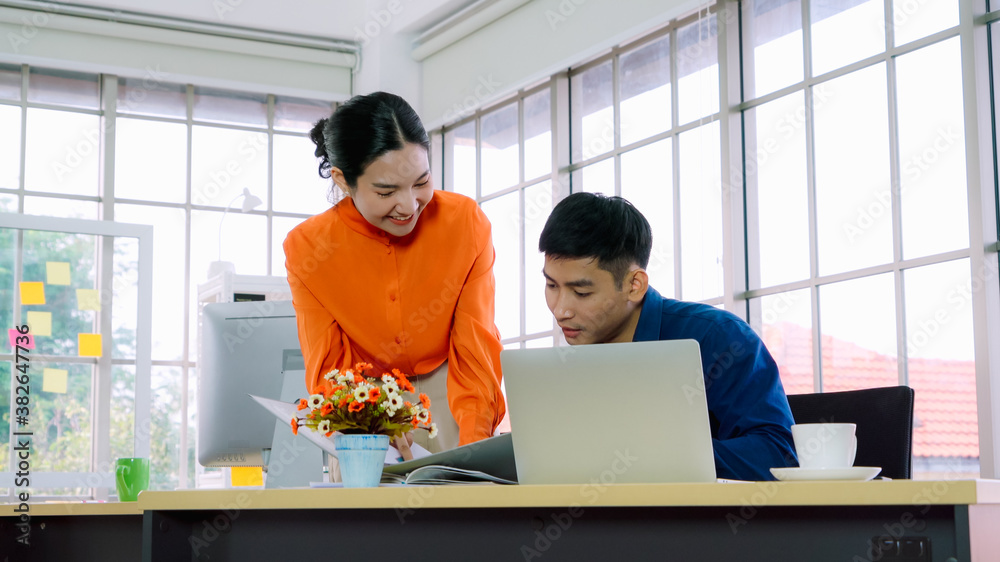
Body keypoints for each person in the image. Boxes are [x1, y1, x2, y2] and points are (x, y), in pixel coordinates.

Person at [283, 91, 505, 453]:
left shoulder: (466, 224)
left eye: (421, 182)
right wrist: (362, 428)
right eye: (386, 191)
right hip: (364, 394)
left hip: (452, 385)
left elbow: (475, 348)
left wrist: (474, 448)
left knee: (458, 496)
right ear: (342, 179)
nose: (408, 205)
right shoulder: (307, 248)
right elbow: (329, 368)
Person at [537, 192, 796, 481]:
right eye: (551, 285)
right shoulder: (571, 356)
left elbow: (778, 455)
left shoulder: (718, 338)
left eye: (581, 293)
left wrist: (659, 458)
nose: (560, 310)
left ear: (635, 285)